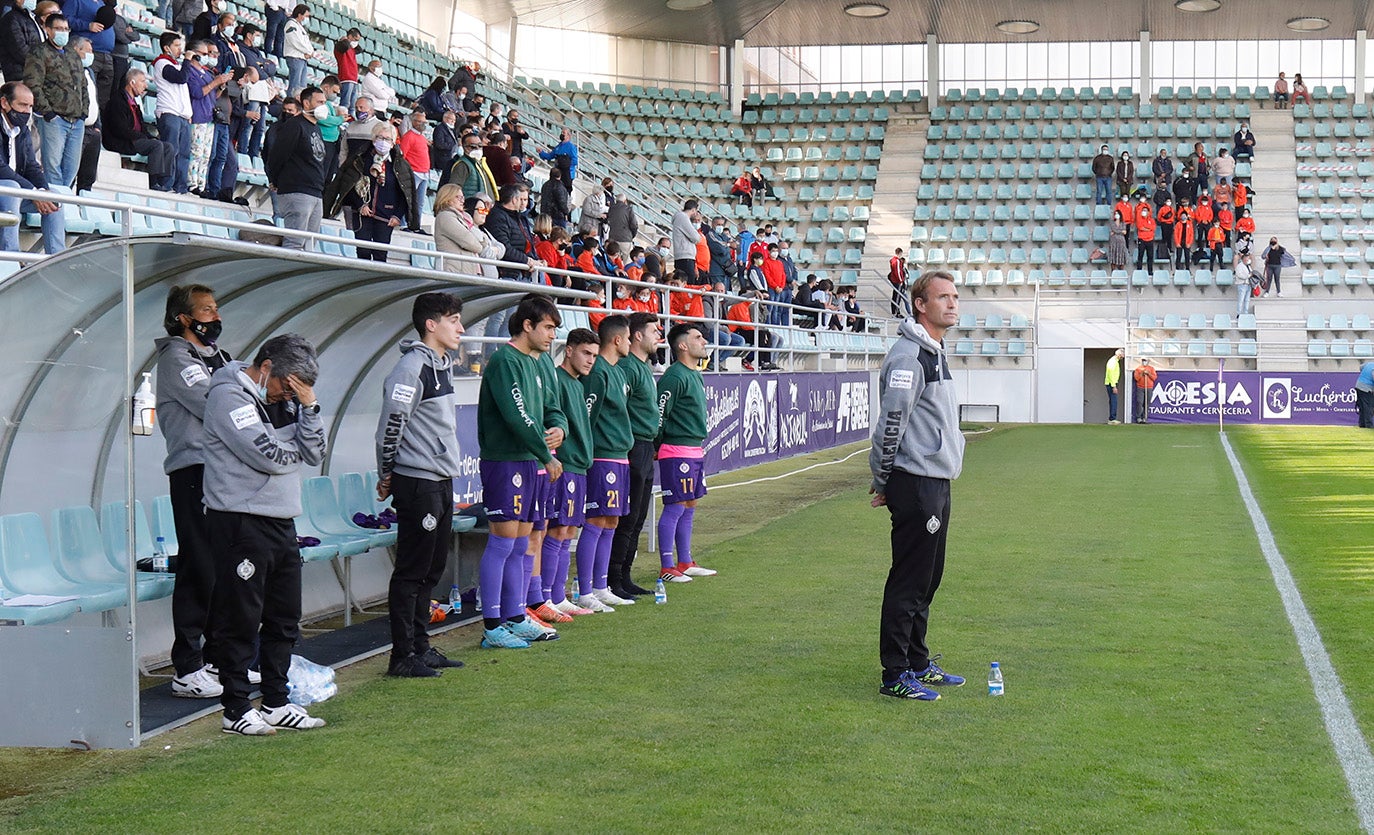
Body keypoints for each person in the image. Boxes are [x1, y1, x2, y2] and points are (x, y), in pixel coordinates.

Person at [202, 333, 326, 735]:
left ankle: (276, 701)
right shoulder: (228, 396)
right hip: (240, 520)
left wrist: (310, 409)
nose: (283, 396)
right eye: (284, 386)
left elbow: (314, 453)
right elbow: (266, 456)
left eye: (296, 392)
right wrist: (289, 448)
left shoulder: (290, 399)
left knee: (284, 617)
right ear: (267, 367)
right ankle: (235, 708)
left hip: (282, 519)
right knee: (240, 618)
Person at [870, 270, 967, 702]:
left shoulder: (935, 351)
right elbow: (891, 422)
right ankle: (894, 673)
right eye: (942, 297)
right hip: (916, 481)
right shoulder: (910, 357)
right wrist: (884, 477)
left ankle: (917, 662)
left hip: (937, 480)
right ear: (920, 305)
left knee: (928, 578)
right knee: (909, 579)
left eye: (955, 296)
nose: (952, 303)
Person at [374, 293, 467, 678]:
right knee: (412, 571)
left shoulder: (442, 365)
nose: (461, 328)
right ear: (431, 324)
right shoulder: (410, 368)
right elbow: (390, 426)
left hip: (440, 479)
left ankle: (421, 646)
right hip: (418, 481)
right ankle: (401, 656)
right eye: (454, 320)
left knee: (432, 569)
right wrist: (386, 472)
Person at [154, 285, 234, 698]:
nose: (214, 316)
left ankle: (219, 661)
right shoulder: (176, 357)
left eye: (215, 308)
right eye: (206, 309)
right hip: (191, 472)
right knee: (198, 565)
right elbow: (216, 405)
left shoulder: (217, 356)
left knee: (221, 567)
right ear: (184, 318)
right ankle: (187, 667)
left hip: (220, 472)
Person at [475, 294, 563, 648]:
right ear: (527, 325)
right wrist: (546, 454)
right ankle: (492, 625)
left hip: (527, 461)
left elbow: (548, 409)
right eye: (548, 327)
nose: (553, 335)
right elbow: (517, 416)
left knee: (521, 543)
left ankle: (515, 616)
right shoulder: (505, 361)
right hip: (505, 461)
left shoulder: (535, 363)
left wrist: (560, 429)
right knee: (502, 542)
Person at [574, 314, 635, 612]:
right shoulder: (597, 373)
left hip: (620, 456)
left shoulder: (618, 372)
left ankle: (601, 586)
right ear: (618, 339)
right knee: (597, 520)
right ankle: (585, 590)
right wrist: (588, 455)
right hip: (602, 457)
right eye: (627, 337)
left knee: (612, 520)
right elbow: (586, 417)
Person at [602, 312, 662, 600]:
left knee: (637, 517)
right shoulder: (627, 367)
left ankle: (625, 575)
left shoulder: (642, 368)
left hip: (646, 447)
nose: (658, 335)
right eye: (653, 330)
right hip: (632, 446)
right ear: (636, 336)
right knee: (626, 517)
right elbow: (616, 408)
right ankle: (613, 578)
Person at [542, 327, 599, 617]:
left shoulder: (578, 384)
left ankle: (558, 596)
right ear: (569, 350)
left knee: (568, 532)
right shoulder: (556, 380)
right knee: (557, 529)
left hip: (579, 466)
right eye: (586, 353)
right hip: (564, 466)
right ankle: (546, 598)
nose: (590, 360)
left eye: (594, 356)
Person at [654, 322, 715, 585]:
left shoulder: (694, 374)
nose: (704, 342)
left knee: (690, 503)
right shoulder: (675, 376)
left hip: (693, 449)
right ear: (682, 345)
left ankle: (685, 561)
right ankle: (667, 566)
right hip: (675, 450)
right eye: (698, 338)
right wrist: (658, 445)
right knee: (675, 505)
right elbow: (659, 413)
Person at [327, 121, 417, 262]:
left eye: (387, 139)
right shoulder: (360, 159)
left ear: (393, 142)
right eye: (380, 137)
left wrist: (398, 216)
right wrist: (360, 205)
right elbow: (348, 185)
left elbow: (405, 194)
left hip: (386, 216)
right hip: (362, 213)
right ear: (374, 139)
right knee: (363, 250)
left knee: (380, 254)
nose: (383, 141)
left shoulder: (400, 165)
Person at [0, 82, 66, 254]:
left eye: (30, 106)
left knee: (54, 198)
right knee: (12, 188)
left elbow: (31, 166)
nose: (26, 111)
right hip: (8, 191)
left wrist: (42, 191)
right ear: (4, 103)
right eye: (22, 105)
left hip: (15, 195)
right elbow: (1, 168)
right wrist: (32, 191)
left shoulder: (22, 130)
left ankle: (56, 258)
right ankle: (11, 258)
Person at [23, 12, 85, 189]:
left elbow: (83, 85)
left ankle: (62, 202)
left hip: (76, 119)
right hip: (54, 118)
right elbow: (33, 83)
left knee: (71, 169)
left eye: (66, 29)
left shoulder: (73, 55)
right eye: (58, 28)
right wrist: (47, 112)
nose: (63, 32)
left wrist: (83, 113)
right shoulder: (39, 52)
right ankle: (55, 208)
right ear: (47, 30)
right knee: (53, 167)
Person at [266, 85, 326, 250]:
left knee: (310, 245)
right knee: (295, 243)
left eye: (325, 102)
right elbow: (277, 155)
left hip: (315, 192)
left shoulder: (317, 128)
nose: (324, 106)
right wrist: (275, 180)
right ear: (306, 104)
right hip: (297, 190)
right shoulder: (294, 125)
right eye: (320, 102)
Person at [103, 69, 174, 191]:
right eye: (142, 81)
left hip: (135, 138)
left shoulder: (134, 103)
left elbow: (141, 126)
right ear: (132, 83)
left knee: (168, 146)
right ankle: (152, 182)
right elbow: (119, 129)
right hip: (123, 140)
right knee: (156, 146)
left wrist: (148, 137)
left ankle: (164, 182)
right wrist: (141, 137)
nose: (146, 86)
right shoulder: (117, 101)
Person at [186, 39, 231, 196]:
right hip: (197, 115)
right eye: (204, 54)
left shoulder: (206, 72)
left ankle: (201, 185)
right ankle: (192, 184)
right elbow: (197, 93)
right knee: (196, 152)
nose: (207, 57)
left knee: (205, 155)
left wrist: (221, 85)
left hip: (209, 116)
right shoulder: (190, 71)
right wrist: (216, 82)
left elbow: (212, 94)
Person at [152, 31, 193, 194]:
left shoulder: (176, 63)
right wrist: (188, 60)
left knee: (184, 153)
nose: (180, 49)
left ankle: (180, 186)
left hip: (182, 115)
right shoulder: (161, 63)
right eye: (176, 45)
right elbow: (181, 77)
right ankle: (166, 183)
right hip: (169, 112)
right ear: (166, 48)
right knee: (172, 150)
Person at [397, 110, 432, 230]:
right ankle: (403, 223)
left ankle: (416, 224)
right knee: (407, 199)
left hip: (424, 173)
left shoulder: (421, 137)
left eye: (424, 122)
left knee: (419, 203)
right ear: (414, 122)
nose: (424, 124)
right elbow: (402, 156)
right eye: (421, 122)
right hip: (414, 173)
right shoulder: (408, 137)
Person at [702, 280, 746, 370]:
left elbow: (738, 299)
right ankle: (712, 362)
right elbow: (708, 324)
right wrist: (724, 328)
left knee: (740, 341)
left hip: (719, 329)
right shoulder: (707, 301)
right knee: (726, 338)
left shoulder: (724, 300)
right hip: (706, 329)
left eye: (722, 291)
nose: (719, 293)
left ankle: (716, 361)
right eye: (717, 290)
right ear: (713, 290)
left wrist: (754, 293)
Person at [439, 130, 497, 198]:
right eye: (473, 147)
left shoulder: (480, 163)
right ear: (464, 147)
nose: (477, 149)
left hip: (482, 207)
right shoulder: (462, 165)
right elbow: (454, 190)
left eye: (480, 146)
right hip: (470, 206)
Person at [1, 0, 45, 84]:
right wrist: (41, 62)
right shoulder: (11, 18)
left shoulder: (32, 17)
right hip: (20, 76)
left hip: (35, 72)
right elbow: (19, 50)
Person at [670, 198, 703, 284]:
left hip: (685, 257)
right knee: (688, 283)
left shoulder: (682, 218)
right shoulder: (683, 217)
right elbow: (696, 237)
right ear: (693, 210)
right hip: (685, 257)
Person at [281, 3, 310, 96]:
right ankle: (290, 103)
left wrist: (310, 52)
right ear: (300, 15)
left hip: (302, 58)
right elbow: (295, 41)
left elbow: (306, 42)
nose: (307, 18)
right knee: (295, 86)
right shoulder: (291, 24)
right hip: (295, 57)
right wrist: (307, 51)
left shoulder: (300, 26)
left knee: (302, 87)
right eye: (306, 16)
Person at [333, 27, 360, 111]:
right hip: (346, 77)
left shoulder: (352, 48)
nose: (356, 42)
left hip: (353, 79)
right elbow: (343, 45)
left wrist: (349, 41)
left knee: (352, 106)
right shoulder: (341, 46)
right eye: (355, 39)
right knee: (345, 103)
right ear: (350, 37)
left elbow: (360, 49)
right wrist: (345, 40)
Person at [1134, 202, 1157, 275]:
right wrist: (1148, 229)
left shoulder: (1151, 220)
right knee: (1140, 256)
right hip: (1142, 239)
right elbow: (1140, 227)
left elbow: (1153, 228)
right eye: (1143, 210)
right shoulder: (1139, 219)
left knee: (1150, 256)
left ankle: (1150, 271)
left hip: (1150, 240)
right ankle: (1139, 271)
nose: (1144, 212)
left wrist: (1145, 228)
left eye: (1145, 211)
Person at [1133, 357, 1157, 424]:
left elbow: (1154, 378)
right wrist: (1142, 373)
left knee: (1147, 403)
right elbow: (1136, 378)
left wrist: (1148, 374)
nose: (1144, 362)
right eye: (1143, 360)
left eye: (1145, 360)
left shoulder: (1151, 369)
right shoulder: (1138, 369)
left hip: (1149, 387)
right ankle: (1139, 417)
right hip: (1140, 387)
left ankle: (1144, 418)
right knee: (1139, 402)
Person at [1105, 347, 1123, 425]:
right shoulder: (1113, 362)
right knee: (1113, 401)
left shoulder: (1115, 361)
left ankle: (1112, 418)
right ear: (1119, 354)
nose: (1123, 357)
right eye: (1122, 355)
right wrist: (1113, 386)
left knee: (1113, 401)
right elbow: (1111, 374)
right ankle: (1112, 418)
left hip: (1112, 383)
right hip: (1111, 383)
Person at [1357, 360, 1374, 429]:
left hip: (1358, 386)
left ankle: (1362, 424)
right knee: (1368, 407)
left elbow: (1361, 367)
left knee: (1362, 406)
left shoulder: (1369, 364)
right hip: (1366, 388)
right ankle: (1368, 425)